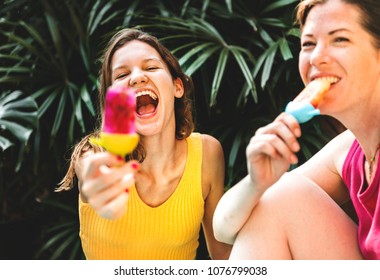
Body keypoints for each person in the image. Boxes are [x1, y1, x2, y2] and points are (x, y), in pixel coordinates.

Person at [213, 0, 380, 259]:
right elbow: (223, 229)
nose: (316, 57)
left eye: (340, 40)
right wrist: (257, 183)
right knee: (280, 194)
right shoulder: (351, 151)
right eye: (308, 44)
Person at [57, 28, 231, 260]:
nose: (137, 77)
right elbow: (91, 172)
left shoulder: (208, 154)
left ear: (177, 86)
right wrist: (99, 185)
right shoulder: (93, 153)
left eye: (151, 67)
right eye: (121, 76)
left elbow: (222, 254)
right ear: (112, 99)